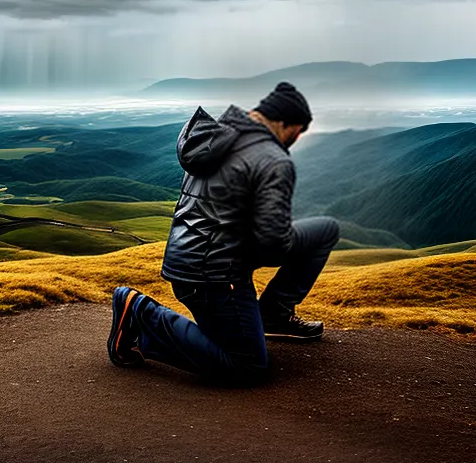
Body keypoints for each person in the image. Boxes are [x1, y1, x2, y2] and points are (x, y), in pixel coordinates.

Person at [107, 81, 339, 383]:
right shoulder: (272, 158)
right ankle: (140, 312)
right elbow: (272, 246)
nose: (297, 138)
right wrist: (279, 238)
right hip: (215, 278)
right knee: (247, 365)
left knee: (324, 230)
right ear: (284, 123)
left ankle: (274, 315)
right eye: (298, 129)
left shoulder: (216, 139)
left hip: (189, 262)